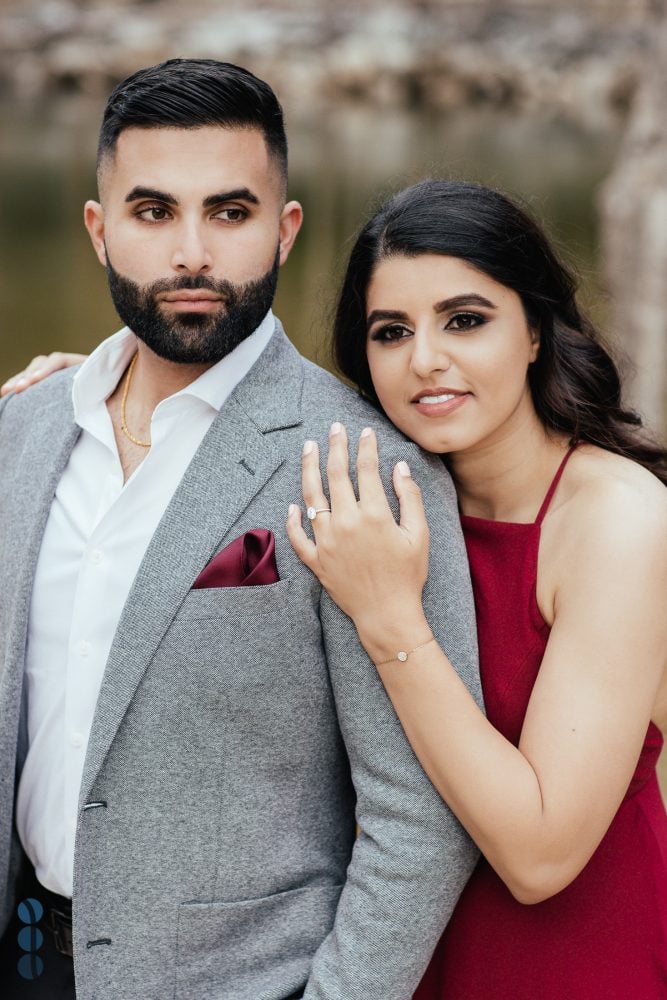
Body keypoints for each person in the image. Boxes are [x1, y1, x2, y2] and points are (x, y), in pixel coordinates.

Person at [0, 65, 483, 1000]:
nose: (191, 253)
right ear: (99, 231)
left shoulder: (366, 467)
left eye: (229, 212)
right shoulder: (21, 432)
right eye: (151, 212)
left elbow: (419, 816)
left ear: (284, 228)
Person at [282, 179, 667, 998]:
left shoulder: (614, 518)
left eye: (464, 320)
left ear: (533, 329)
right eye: (392, 332)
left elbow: (539, 854)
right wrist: (119, 395)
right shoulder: (378, 500)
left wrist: (391, 620)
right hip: (395, 959)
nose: (425, 359)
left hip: (572, 966)